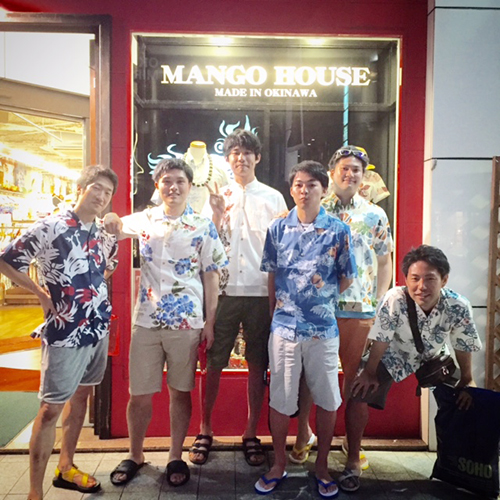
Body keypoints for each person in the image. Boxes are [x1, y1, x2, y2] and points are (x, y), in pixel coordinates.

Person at [104, 158, 228, 488]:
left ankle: (175, 455)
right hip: (146, 320)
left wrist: (210, 321)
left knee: (180, 392)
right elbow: (114, 226)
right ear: (158, 185)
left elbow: (212, 275)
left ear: (189, 186)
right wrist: (112, 216)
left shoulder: (202, 225)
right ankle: (135, 454)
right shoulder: (145, 219)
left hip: (187, 322)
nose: (173, 187)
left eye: (179, 181)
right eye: (167, 181)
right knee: (139, 394)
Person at [0, 165, 119, 500]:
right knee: (51, 407)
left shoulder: (102, 232)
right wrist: (40, 293)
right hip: (65, 330)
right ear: (80, 188)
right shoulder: (51, 226)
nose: (101, 196)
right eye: (96, 188)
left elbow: (109, 265)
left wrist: (91, 291)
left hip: (97, 327)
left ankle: (66, 466)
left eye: (108, 192)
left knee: (82, 397)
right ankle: (34, 492)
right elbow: (7, 260)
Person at [342, 245, 482, 492]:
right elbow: (381, 338)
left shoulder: (458, 305)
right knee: (358, 392)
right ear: (406, 279)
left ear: (444, 280)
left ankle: (458, 466)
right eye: (415, 279)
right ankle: (353, 459)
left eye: (430, 279)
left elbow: (463, 344)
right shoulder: (395, 299)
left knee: (466, 400)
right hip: (392, 354)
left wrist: (467, 379)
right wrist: (370, 372)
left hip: (435, 357)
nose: (421, 286)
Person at [256, 160, 357, 498]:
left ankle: (322, 466)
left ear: (323, 190)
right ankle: (278, 464)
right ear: (291, 189)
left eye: (312, 184)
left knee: (327, 398)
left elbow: (346, 276)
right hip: (284, 329)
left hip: (322, 329)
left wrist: (322, 297)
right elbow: (272, 274)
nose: (304, 190)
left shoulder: (338, 230)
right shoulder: (277, 228)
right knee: (280, 399)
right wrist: (276, 313)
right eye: (298, 184)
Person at [189, 129, 287, 467]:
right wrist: (217, 214)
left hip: (261, 292)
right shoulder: (217, 196)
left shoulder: (274, 198)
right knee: (213, 362)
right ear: (227, 158)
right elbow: (205, 245)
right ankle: (205, 429)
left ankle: (250, 432)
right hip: (224, 292)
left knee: (258, 364)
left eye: (247, 153)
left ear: (257, 158)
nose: (241, 158)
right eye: (234, 153)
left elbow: (283, 249)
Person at [290, 145, 393, 468]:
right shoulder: (315, 208)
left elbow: (384, 260)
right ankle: (304, 433)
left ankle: (352, 443)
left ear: (364, 176)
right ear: (332, 173)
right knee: (309, 376)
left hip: (360, 310)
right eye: (344, 169)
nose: (350, 174)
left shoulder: (375, 214)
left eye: (356, 170)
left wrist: (379, 300)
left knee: (356, 380)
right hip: (318, 308)